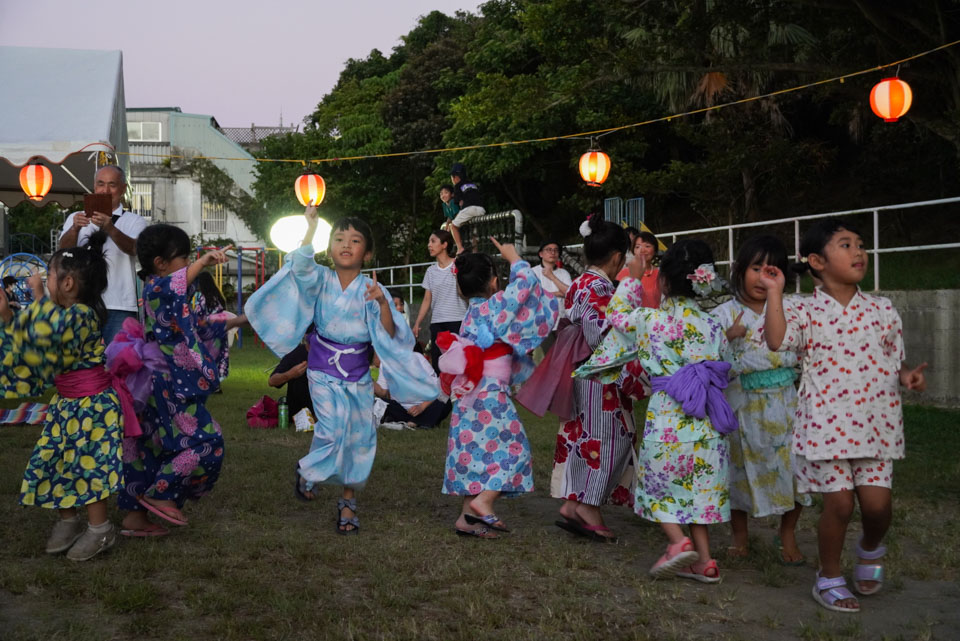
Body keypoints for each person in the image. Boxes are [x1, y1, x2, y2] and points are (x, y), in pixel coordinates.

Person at [759, 219, 927, 613]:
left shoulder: (882, 310)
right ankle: (829, 576)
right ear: (816, 261)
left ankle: (870, 547)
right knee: (838, 505)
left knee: (877, 507)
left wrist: (908, 377)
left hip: (876, 424)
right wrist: (775, 293)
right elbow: (776, 340)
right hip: (826, 425)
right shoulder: (803, 310)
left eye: (861, 245)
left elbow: (893, 360)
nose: (859, 252)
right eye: (846, 245)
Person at [245, 205, 437, 535]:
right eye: (339, 238)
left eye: (355, 239)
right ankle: (308, 470)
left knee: (359, 439)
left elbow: (391, 334)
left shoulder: (374, 289)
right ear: (330, 246)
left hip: (358, 374)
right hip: (322, 370)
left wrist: (380, 304)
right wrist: (310, 227)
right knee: (333, 429)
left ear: (368, 252)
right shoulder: (319, 277)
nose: (346, 244)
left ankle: (347, 503)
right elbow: (301, 264)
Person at [577, 239, 737, 583]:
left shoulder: (652, 321)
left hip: (670, 419)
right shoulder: (713, 326)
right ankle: (705, 561)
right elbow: (729, 365)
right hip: (707, 417)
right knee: (698, 489)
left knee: (656, 483)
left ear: (662, 281)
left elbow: (616, 316)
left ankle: (678, 542)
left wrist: (632, 279)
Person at [1, 232, 126, 560]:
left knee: (89, 467)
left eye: (49, 276)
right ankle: (68, 520)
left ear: (67, 284)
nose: (42, 281)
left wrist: (9, 317)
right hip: (68, 405)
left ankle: (100, 530)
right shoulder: (66, 312)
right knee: (56, 460)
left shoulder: (81, 316)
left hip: (93, 407)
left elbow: (41, 349)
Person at [116, 225, 244, 536]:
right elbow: (172, 288)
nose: (188, 264)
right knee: (205, 441)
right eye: (183, 258)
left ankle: (134, 518)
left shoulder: (167, 291)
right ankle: (161, 492)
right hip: (169, 380)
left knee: (147, 445)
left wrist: (243, 318)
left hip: (159, 380)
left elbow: (198, 325)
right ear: (160, 263)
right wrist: (203, 263)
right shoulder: (156, 288)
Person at [440, 238, 558, 538]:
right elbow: (528, 283)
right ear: (494, 282)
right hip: (490, 396)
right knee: (514, 452)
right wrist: (514, 257)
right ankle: (483, 502)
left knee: (477, 457)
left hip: (469, 396)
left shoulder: (470, 314)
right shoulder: (496, 306)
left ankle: (467, 518)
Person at [712, 235, 812, 564]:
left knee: (795, 470)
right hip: (741, 406)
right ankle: (740, 536)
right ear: (740, 270)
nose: (762, 277)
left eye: (771, 270)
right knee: (738, 471)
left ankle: (787, 536)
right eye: (756, 268)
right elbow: (704, 357)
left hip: (786, 404)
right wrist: (727, 337)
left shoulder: (792, 309)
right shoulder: (724, 314)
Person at [551, 215, 643, 542]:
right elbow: (603, 337)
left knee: (583, 436)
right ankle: (588, 505)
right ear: (618, 257)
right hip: (599, 374)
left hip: (582, 371)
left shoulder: (580, 283)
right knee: (608, 439)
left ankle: (574, 502)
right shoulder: (600, 287)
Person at [59, 165, 148, 343]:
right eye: (100, 184)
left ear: (122, 189)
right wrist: (75, 229)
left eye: (112, 185)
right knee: (80, 359)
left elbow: (134, 249)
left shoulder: (134, 220)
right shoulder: (76, 218)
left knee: (119, 362)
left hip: (119, 304)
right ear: (94, 187)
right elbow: (63, 252)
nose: (105, 190)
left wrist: (110, 227)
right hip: (80, 301)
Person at [413, 229, 468, 372]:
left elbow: (465, 293)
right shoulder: (430, 271)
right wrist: (418, 322)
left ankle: (457, 393)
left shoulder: (458, 265)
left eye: (433, 241)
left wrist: (457, 277)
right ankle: (440, 393)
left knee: (458, 363)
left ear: (444, 244)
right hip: (437, 322)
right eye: (429, 242)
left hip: (458, 320)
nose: (429, 245)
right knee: (438, 364)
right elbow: (426, 299)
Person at [375, 345, 451, 429]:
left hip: (424, 407)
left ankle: (413, 422)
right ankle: (420, 422)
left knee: (444, 402)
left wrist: (421, 407)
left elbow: (437, 389)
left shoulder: (418, 358)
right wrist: (366, 377)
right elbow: (382, 392)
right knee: (377, 402)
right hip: (401, 409)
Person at [531, 240, 572, 354]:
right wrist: (558, 293)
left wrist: (551, 277)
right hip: (541, 322)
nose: (552, 252)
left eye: (555, 250)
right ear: (541, 254)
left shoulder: (564, 273)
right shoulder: (532, 272)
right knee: (546, 356)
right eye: (549, 250)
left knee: (561, 355)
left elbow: (569, 293)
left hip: (561, 321)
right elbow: (532, 295)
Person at [192, 271, 232, 384]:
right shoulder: (218, 297)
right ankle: (216, 382)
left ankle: (211, 383)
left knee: (207, 358)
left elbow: (198, 316)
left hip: (208, 335)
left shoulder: (205, 299)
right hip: (219, 332)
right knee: (216, 358)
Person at [269, 331, 311, 419]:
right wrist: (290, 374)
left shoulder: (331, 354)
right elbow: (272, 381)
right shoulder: (295, 353)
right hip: (298, 413)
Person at [616, 231, 662, 308]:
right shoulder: (623, 273)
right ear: (633, 251)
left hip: (655, 318)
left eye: (647, 246)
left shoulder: (660, 274)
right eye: (637, 247)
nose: (642, 250)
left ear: (655, 250)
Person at [448, 163, 485, 255]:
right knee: (474, 228)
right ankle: (475, 250)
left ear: (455, 177)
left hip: (469, 209)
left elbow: (457, 201)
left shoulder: (457, 186)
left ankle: (460, 248)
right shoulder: (472, 184)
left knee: (453, 226)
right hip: (481, 209)